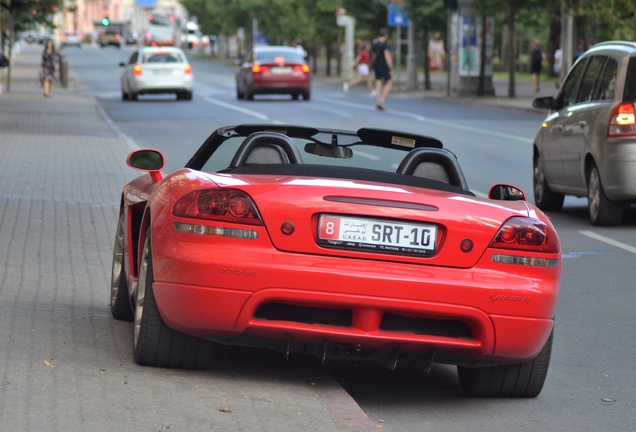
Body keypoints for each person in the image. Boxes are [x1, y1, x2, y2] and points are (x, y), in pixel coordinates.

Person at [371, 28, 393, 110]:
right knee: (389, 83)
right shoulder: (385, 45)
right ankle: (382, 100)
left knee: (378, 83)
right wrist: (390, 67)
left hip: (376, 66)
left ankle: (378, 101)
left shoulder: (374, 44)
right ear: (386, 35)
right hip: (384, 66)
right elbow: (387, 57)